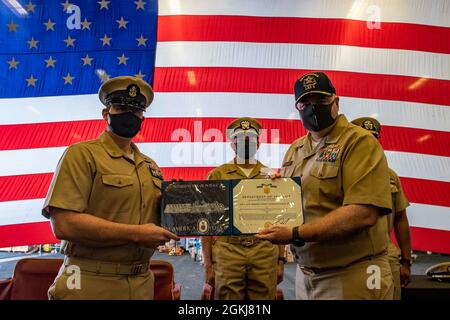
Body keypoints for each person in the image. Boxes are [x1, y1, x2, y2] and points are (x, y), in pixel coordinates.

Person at [257, 72, 394, 300]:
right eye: (305, 103)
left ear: (335, 102)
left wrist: (295, 234)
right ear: (297, 107)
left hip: (352, 274)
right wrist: (277, 193)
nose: (312, 108)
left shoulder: (358, 142)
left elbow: (363, 213)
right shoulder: (296, 149)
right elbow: (300, 203)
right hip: (306, 275)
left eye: (320, 101)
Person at [42, 76, 179, 300]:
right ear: (106, 114)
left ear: (142, 117)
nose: (129, 115)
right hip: (90, 279)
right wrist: (136, 234)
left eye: (136, 111)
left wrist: (182, 202)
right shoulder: (82, 155)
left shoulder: (150, 167)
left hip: (141, 281)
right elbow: (64, 224)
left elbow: (158, 219)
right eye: (121, 107)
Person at [201, 117, 285, 300]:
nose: (246, 143)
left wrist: (281, 260)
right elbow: (206, 221)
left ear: (259, 143)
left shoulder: (271, 176)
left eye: (251, 139)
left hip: (264, 250)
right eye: (240, 139)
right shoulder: (218, 175)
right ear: (232, 144)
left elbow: (280, 219)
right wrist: (208, 264)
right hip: (228, 251)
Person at [352, 117, 412, 299]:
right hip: (349, 257)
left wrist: (406, 261)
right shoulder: (339, 173)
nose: (369, 144)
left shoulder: (390, 176)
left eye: (373, 139)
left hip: (386, 255)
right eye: (364, 139)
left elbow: (401, 218)